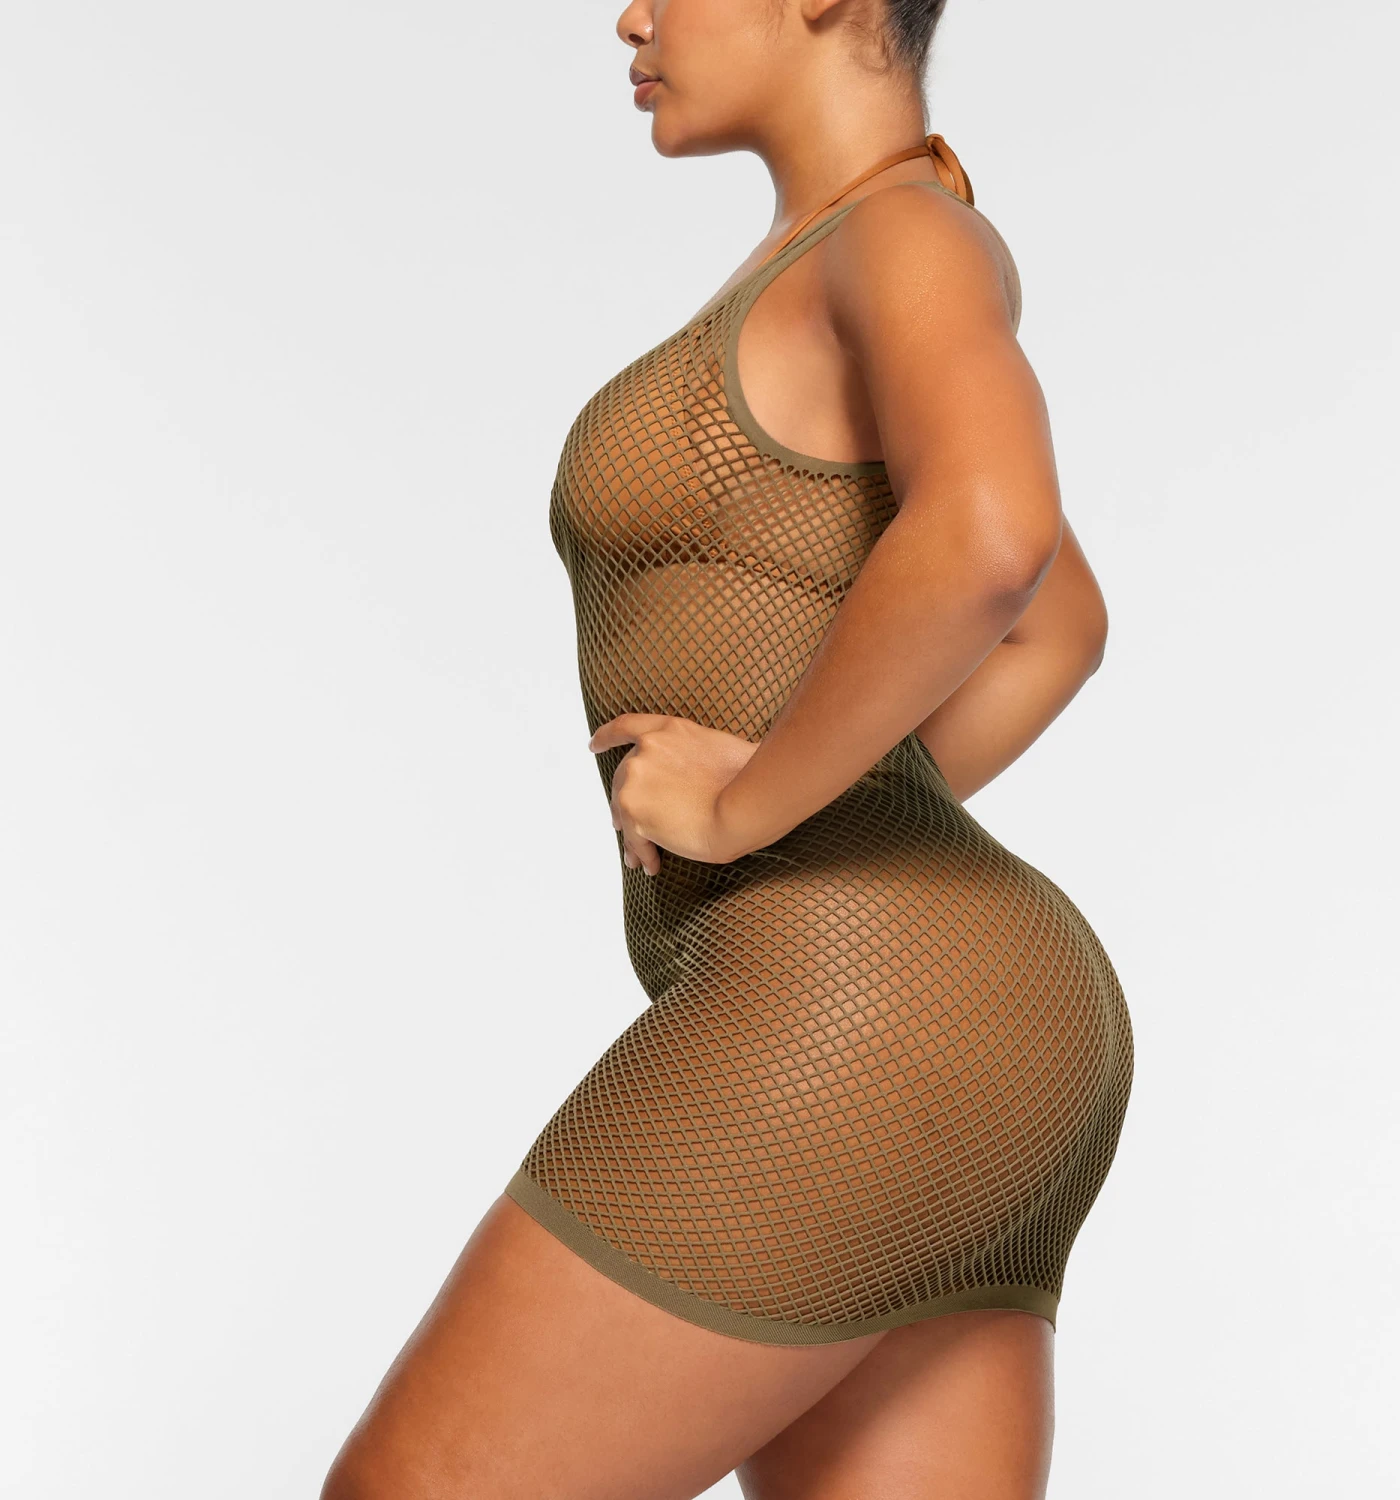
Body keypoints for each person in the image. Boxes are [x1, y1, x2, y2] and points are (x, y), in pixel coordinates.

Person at [322, 2, 1133, 1496]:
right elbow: (1060, 628)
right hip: (980, 1028)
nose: (630, 15)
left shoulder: (904, 236)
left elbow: (994, 540)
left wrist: (754, 802)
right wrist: (841, 796)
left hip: (851, 1009)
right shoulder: (842, 252)